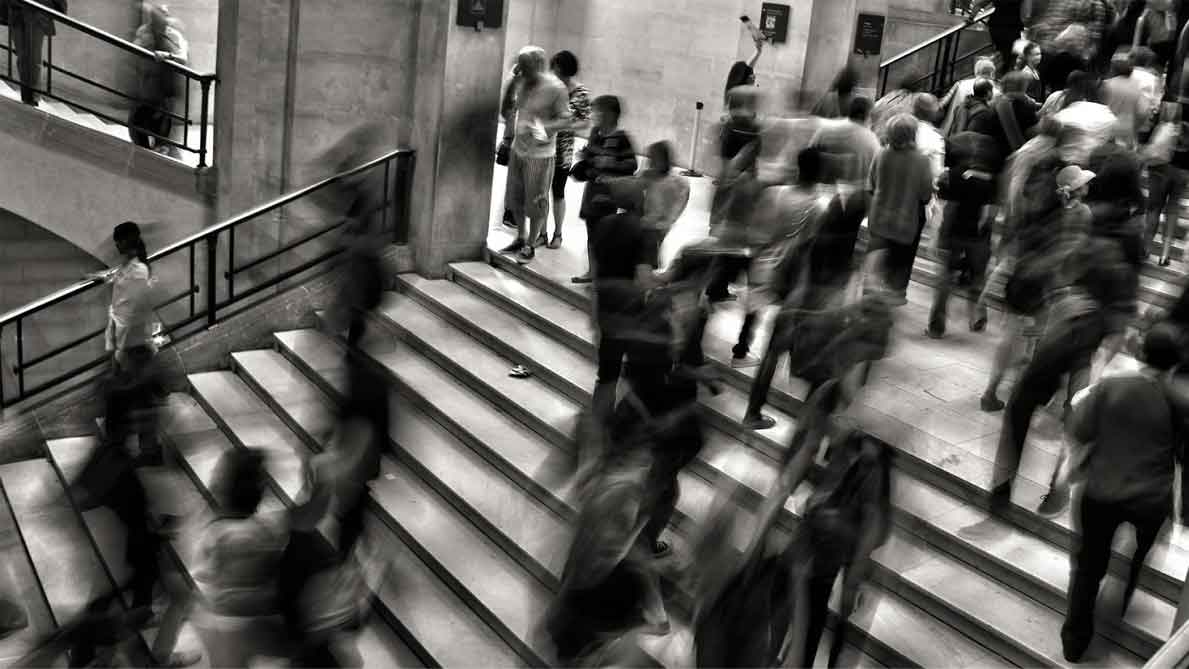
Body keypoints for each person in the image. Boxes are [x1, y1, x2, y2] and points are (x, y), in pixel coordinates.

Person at [974, 164, 1137, 523]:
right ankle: (1054, 489)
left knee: (1024, 409)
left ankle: (1007, 491)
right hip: (1078, 349)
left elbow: (1043, 279)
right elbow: (1117, 323)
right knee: (1071, 418)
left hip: (1061, 345)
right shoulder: (1107, 257)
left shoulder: (1077, 247)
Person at [1061, 324, 1189, 662]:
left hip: (1101, 491)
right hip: (1150, 498)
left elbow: (1080, 430)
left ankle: (1075, 640)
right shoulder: (1180, 402)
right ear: (1175, 364)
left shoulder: (1110, 387)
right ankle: (1123, 598)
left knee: (1088, 566)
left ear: (1141, 354)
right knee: (1139, 553)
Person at [192, 449, 290, 668]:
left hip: (219, 617)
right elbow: (273, 574)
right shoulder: (267, 532)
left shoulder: (216, 531)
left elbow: (203, 572)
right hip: (252, 621)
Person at [498, 46, 572, 263]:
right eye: (520, 65)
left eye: (526, 66)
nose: (522, 69)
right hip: (518, 150)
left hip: (540, 155)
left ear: (539, 65)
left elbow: (566, 119)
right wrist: (512, 81)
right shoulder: (522, 83)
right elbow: (506, 111)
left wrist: (542, 129)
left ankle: (531, 243)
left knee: (536, 201)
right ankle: (520, 237)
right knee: (515, 199)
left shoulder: (556, 88)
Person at [928, 125, 1001, 338]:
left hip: (954, 232)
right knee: (979, 278)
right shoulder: (991, 179)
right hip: (979, 236)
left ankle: (936, 326)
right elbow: (991, 212)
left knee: (944, 280)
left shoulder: (953, 175)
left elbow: (944, 210)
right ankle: (978, 316)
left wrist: (937, 239)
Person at [865, 114, 935, 303]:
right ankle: (895, 296)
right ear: (913, 134)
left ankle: (870, 300)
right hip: (905, 223)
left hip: (879, 220)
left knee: (874, 267)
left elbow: (870, 186)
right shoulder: (921, 161)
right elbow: (925, 195)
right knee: (900, 265)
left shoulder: (880, 154)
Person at [570, 95, 638, 284]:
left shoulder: (621, 138)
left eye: (598, 111)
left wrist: (612, 163)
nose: (594, 115)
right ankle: (593, 270)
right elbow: (591, 159)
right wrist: (587, 159)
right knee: (591, 231)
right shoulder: (595, 133)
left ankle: (606, 272)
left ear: (610, 114)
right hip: (593, 190)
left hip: (609, 193)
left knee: (606, 232)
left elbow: (632, 164)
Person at [541, 50, 591, 250]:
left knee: (558, 191)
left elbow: (585, 123)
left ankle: (558, 234)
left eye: (560, 72)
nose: (556, 76)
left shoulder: (580, 93)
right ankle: (541, 233)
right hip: (543, 145)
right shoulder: (550, 88)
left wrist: (561, 126)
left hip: (563, 148)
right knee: (540, 192)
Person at [129, 4, 189, 157]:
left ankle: (162, 153)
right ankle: (145, 156)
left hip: (166, 90)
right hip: (147, 88)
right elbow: (135, 50)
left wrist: (167, 56)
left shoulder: (174, 35)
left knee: (163, 131)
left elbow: (183, 57)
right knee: (138, 127)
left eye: (162, 16)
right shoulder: (145, 32)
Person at [1145, 102, 1186, 265]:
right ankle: (1165, 254)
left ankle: (1146, 249)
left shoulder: (1164, 127)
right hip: (1182, 171)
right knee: (1173, 210)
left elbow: (1153, 149)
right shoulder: (1183, 129)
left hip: (1160, 170)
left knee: (1154, 208)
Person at [6, 0, 65, 106]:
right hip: (16, 13)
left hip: (37, 13)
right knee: (22, 57)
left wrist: (45, 8)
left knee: (33, 57)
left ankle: (33, 96)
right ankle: (26, 95)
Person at [970, 0, 1032, 75]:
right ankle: (1004, 75)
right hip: (1012, 27)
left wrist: (971, 18)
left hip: (996, 26)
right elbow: (1026, 15)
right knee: (1011, 56)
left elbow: (979, 4)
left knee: (1002, 52)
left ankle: (991, 72)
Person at [940, 58, 999, 136]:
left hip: (950, 132)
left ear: (976, 72)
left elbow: (942, 104)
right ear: (992, 73)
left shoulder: (960, 84)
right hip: (975, 137)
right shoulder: (996, 92)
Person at [870, 73, 923, 142]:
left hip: (873, 134)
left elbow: (874, 110)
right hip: (885, 139)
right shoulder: (911, 102)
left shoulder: (890, 95)